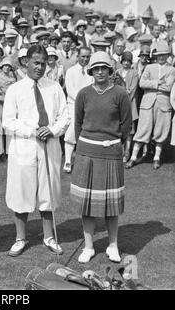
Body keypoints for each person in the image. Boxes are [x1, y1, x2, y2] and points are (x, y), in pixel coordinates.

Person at [2, 45, 69, 257]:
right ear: (26, 63)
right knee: (21, 190)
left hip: (49, 144)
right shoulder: (15, 89)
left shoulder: (55, 87)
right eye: (36, 63)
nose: (40, 67)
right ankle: (20, 238)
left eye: (43, 63)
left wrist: (51, 130)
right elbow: (7, 122)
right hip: (24, 146)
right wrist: (33, 131)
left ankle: (48, 236)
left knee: (48, 191)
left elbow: (65, 117)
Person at [70, 51, 132, 264]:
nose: (100, 72)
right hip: (87, 152)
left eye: (103, 68)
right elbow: (78, 124)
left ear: (109, 70)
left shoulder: (120, 94)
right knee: (87, 204)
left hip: (111, 152)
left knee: (111, 204)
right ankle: (88, 246)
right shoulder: (83, 94)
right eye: (96, 68)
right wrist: (85, 145)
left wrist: (113, 143)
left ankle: (112, 245)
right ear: (91, 71)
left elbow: (126, 125)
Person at [126, 42, 175, 170]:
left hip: (163, 104)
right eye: (158, 55)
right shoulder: (149, 67)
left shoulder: (171, 69)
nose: (161, 57)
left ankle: (157, 158)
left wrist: (151, 84)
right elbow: (142, 83)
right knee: (142, 130)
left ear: (168, 55)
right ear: (155, 56)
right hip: (147, 103)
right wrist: (158, 82)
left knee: (161, 131)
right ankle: (133, 157)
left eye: (164, 55)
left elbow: (169, 86)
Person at [63, 47, 93, 173]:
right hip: (73, 105)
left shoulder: (91, 71)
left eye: (87, 57)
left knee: (87, 132)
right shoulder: (71, 71)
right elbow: (70, 90)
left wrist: (87, 103)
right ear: (78, 56)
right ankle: (68, 160)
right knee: (71, 132)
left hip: (88, 106)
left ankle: (84, 161)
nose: (85, 59)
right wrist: (80, 101)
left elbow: (92, 88)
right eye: (83, 56)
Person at [115, 51, 139, 163]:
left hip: (130, 105)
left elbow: (132, 90)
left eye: (128, 61)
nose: (126, 63)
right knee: (118, 129)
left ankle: (127, 152)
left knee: (129, 131)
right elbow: (114, 88)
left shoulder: (134, 73)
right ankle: (119, 152)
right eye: (124, 61)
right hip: (117, 105)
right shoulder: (117, 72)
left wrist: (125, 92)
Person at [0, 57, 16, 159]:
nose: (6, 68)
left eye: (8, 66)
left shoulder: (13, 79)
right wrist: (1, 98)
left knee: (9, 125)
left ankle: (9, 150)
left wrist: (8, 99)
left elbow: (14, 92)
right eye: (5, 66)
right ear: (1, 67)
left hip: (9, 103)